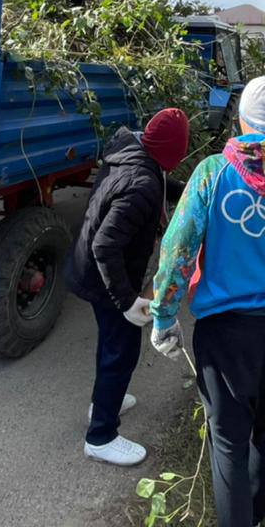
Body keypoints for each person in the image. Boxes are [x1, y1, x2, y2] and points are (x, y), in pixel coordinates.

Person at [150, 76, 265, 527]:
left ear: (242, 118)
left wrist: (164, 316)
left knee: (229, 439)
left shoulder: (212, 174)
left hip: (227, 333)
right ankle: (252, 518)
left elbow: (178, 247)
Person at [64, 107, 190, 466]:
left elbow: (162, 181)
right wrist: (127, 301)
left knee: (112, 345)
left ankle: (105, 401)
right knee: (121, 351)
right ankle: (101, 436)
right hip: (107, 277)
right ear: (170, 152)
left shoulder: (131, 151)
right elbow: (105, 245)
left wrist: (193, 191)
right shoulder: (142, 184)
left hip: (91, 269)